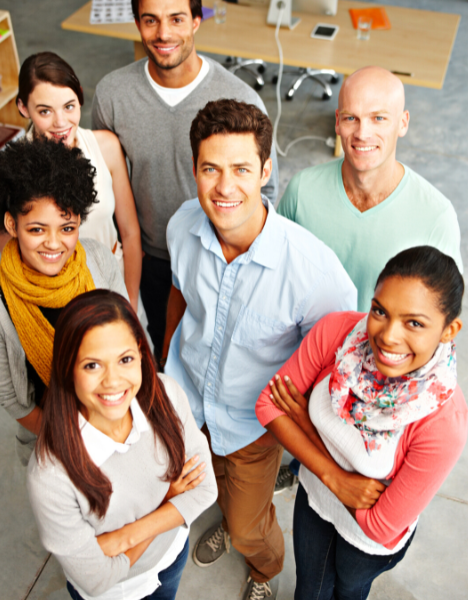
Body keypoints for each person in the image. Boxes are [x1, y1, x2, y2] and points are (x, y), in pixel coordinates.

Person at [163, 99, 357, 600]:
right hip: (188, 405)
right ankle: (233, 510)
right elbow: (180, 293)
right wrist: (166, 370)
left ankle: (264, 568)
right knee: (200, 486)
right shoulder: (183, 225)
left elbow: (332, 367)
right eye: (211, 169)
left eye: (241, 169)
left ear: (267, 170)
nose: (225, 187)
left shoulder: (314, 272)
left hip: (253, 424)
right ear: (195, 170)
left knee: (251, 529)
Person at [256, 246, 468, 600]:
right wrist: (334, 478)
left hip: (364, 545)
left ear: (449, 330)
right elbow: (269, 405)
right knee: (309, 589)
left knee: (348, 591)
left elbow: (381, 526)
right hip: (315, 497)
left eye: (414, 323)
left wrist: (306, 428)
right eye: (380, 311)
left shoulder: (443, 422)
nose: (388, 336)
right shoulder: (339, 333)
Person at [91, 0, 280, 362]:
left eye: (176, 19)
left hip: (220, 260)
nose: (163, 34)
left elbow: (265, 190)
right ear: (137, 23)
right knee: (155, 359)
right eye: (151, 20)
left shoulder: (240, 98)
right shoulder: (113, 94)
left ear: (196, 21)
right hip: (148, 260)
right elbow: (103, 180)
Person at [27, 290, 217, 600]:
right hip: (116, 592)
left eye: (125, 359)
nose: (113, 381)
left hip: (170, 558)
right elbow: (98, 580)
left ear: (141, 354)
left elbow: (206, 490)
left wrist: (119, 540)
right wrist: (168, 503)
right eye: (92, 366)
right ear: (67, 368)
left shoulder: (165, 394)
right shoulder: (50, 476)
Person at [0, 137, 129, 464]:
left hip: (123, 426)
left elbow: (129, 344)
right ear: (11, 225)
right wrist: (82, 444)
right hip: (54, 444)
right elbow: (15, 403)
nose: (54, 244)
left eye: (67, 227)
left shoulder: (99, 261)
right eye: (37, 230)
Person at [277, 66, 462, 313]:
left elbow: (444, 316)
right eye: (351, 118)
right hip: (309, 347)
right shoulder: (302, 191)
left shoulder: (436, 216)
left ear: (403, 123)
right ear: (337, 123)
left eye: (378, 118)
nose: (362, 134)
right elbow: (274, 279)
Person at [14, 51, 145, 323]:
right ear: (23, 108)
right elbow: (13, 264)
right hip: (54, 300)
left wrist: (130, 302)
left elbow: (130, 234)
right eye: (45, 111)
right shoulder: (9, 171)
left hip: (113, 284)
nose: (61, 123)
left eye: (69, 106)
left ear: (81, 97)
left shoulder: (106, 147)